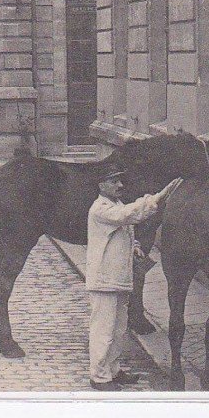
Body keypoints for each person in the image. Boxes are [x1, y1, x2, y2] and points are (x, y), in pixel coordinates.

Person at [85, 167, 183, 391]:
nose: (119, 185)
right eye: (113, 181)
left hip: (117, 277)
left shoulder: (115, 205)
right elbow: (128, 216)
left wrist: (134, 246)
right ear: (101, 186)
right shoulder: (100, 209)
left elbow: (122, 230)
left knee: (118, 329)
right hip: (104, 280)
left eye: (120, 180)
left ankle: (113, 370)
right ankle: (99, 376)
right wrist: (159, 196)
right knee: (103, 330)